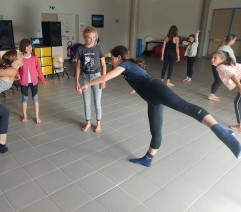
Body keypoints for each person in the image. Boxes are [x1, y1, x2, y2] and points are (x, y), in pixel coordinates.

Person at [79, 45, 241, 167]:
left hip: (155, 89)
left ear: (119, 57)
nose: (111, 61)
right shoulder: (129, 65)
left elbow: (108, 76)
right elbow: (141, 76)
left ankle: (223, 132)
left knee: (185, 107)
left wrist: (88, 84)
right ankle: (148, 159)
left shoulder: (125, 64)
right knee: (155, 130)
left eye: (112, 58)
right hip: (152, 97)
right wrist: (136, 88)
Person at [75, 26, 107, 133]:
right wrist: (77, 81)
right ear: (84, 37)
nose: (92, 40)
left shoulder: (99, 49)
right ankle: (88, 122)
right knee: (86, 102)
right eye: (89, 38)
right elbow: (78, 67)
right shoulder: (80, 49)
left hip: (97, 77)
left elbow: (104, 65)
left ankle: (98, 124)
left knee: (97, 102)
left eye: (94, 38)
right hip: (85, 78)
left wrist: (103, 80)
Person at [18, 38, 46, 124]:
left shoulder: (34, 57)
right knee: (24, 99)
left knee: (35, 98)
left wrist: (42, 79)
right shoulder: (19, 57)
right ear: (23, 47)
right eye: (27, 47)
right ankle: (25, 115)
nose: (29, 48)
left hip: (34, 82)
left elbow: (38, 69)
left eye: (30, 46)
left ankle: (37, 116)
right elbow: (16, 68)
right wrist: (17, 75)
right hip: (23, 82)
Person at [212, 50, 241, 132]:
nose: (212, 59)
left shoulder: (221, 67)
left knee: (238, 102)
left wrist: (239, 86)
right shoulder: (227, 63)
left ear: (222, 59)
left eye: (215, 58)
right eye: (212, 57)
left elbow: (232, 75)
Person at [208, 34, 237, 101]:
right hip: (218, 67)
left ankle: (212, 94)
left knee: (218, 81)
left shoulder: (224, 47)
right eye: (234, 40)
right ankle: (211, 95)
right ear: (231, 40)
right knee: (218, 81)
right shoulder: (226, 49)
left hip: (217, 66)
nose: (234, 41)